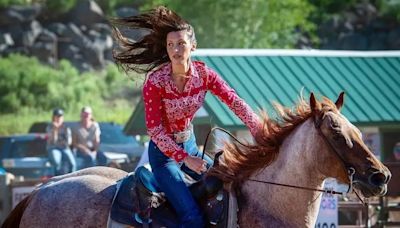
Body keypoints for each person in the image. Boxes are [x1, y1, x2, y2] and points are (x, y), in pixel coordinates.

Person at [112, 6, 261, 227]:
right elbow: (155, 131)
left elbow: (233, 100)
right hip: (163, 156)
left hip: (190, 144)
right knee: (192, 217)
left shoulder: (205, 75)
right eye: (171, 45)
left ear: (193, 46)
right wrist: (185, 158)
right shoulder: (155, 82)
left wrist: (258, 127)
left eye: (181, 43)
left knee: (228, 188)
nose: (175, 50)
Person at [46, 108, 77, 175]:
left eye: (60, 116)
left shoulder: (66, 127)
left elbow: (69, 142)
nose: (59, 118)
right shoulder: (50, 127)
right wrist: (55, 130)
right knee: (57, 162)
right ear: (53, 117)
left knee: (72, 164)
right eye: (57, 116)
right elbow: (53, 141)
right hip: (54, 147)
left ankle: (71, 179)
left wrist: (63, 142)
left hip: (64, 147)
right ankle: (57, 179)